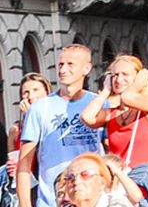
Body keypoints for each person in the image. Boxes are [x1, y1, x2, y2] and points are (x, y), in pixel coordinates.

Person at [19, 46, 108, 207]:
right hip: (51, 201)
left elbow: (111, 152)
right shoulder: (40, 108)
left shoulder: (98, 103)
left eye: (70, 64)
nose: (63, 69)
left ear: (86, 68)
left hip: (92, 200)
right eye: (60, 65)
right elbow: (24, 164)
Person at [84, 55, 148, 207]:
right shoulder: (112, 113)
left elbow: (128, 97)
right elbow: (87, 117)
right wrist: (105, 91)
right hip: (121, 194)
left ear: (139, 78)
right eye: (115, 75)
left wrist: (138, 85)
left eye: (125, 74)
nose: (118, 79)